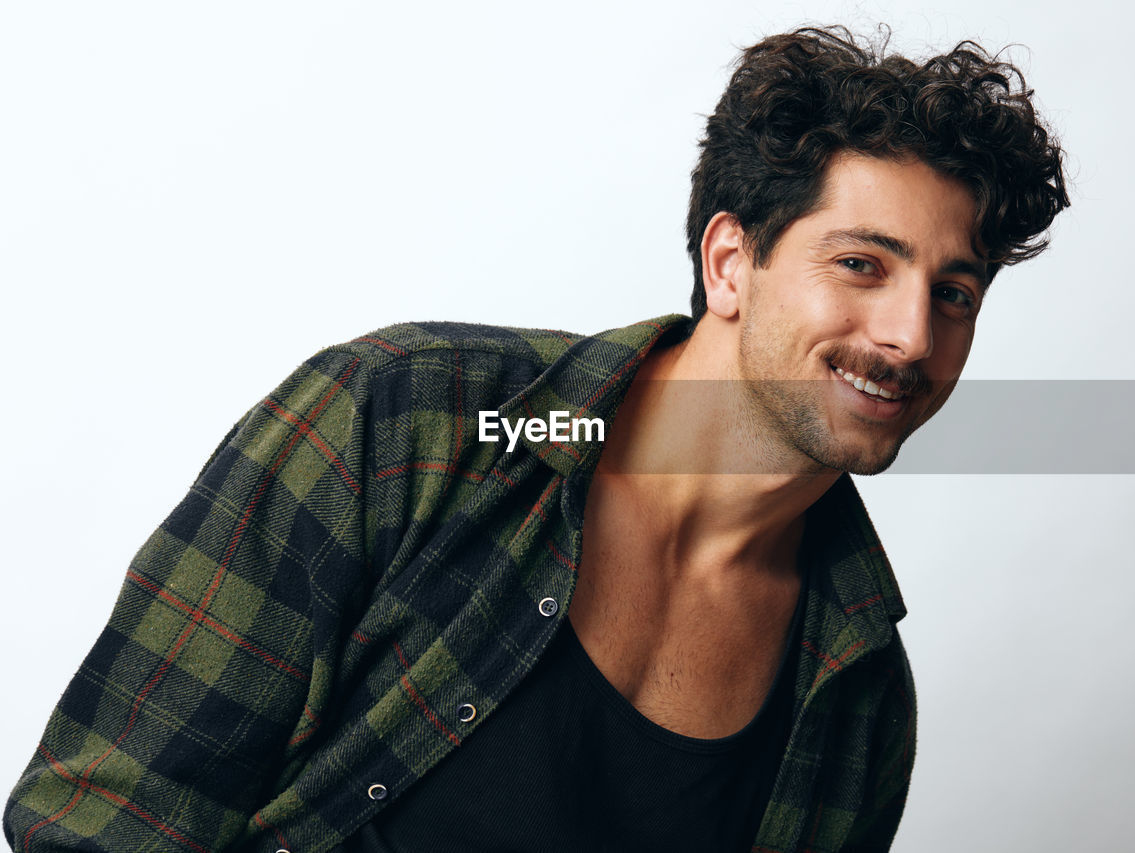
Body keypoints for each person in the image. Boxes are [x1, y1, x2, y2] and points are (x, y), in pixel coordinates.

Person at [4, 25, 1068, 853]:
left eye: (954, 290)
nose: (908, 334)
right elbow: (104, 811)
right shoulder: (407, 423)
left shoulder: (855, 683)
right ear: (729, 263)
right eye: (860, 265)